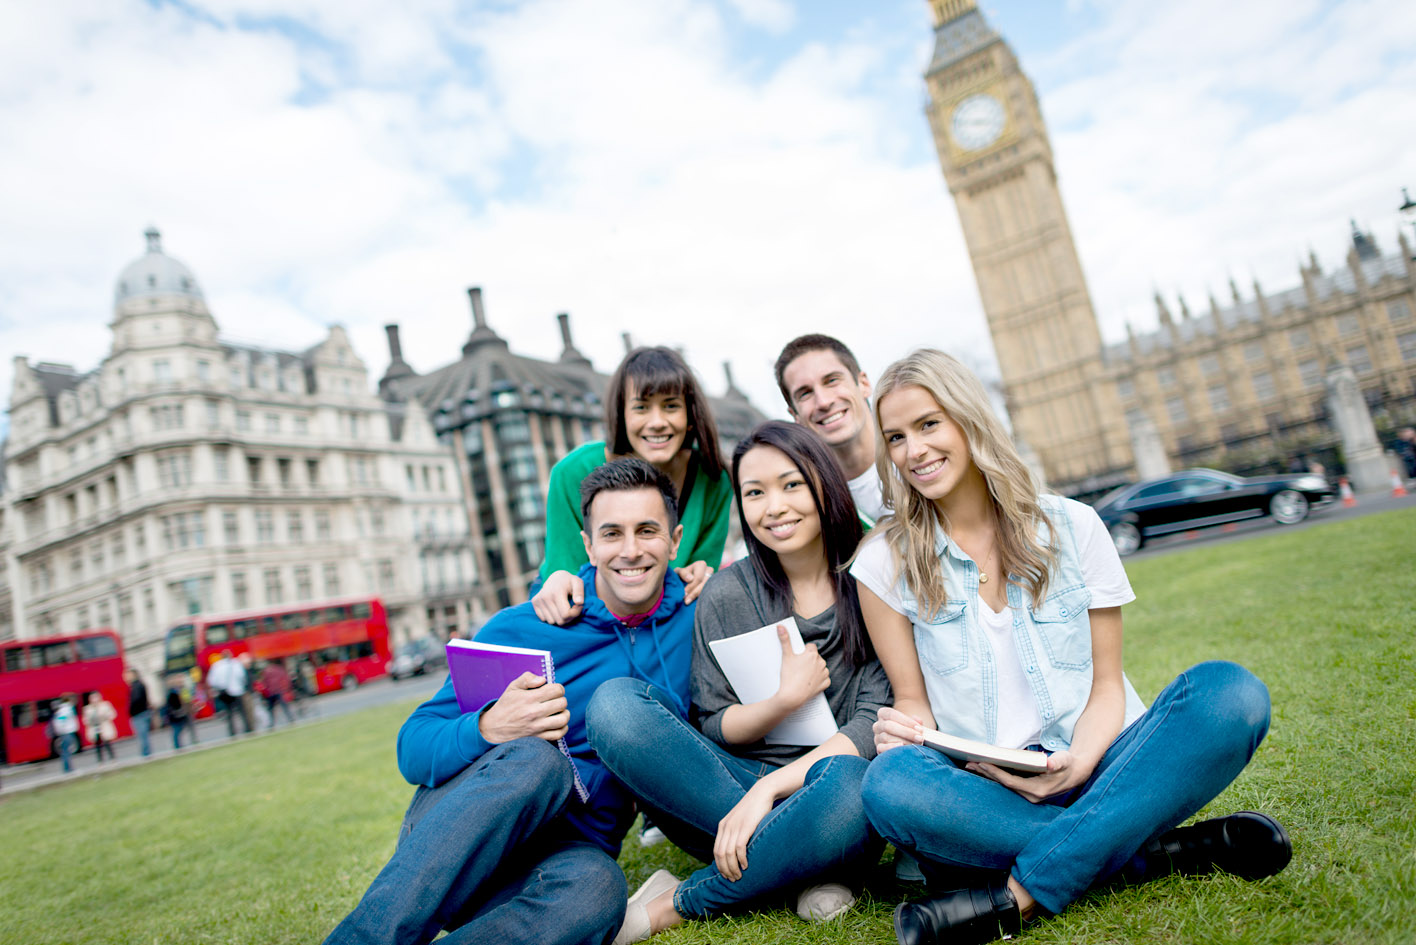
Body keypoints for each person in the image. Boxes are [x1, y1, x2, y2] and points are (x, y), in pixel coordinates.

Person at [851, 349, 1290, 945]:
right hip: (986, 791)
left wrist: (1079, 762)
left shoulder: (1074, 526)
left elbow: (1108, 687)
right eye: (896, 437)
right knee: (889, 782)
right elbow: (914, 703)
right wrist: (904, 732)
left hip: (1099, 763)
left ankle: (1017, 897)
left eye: (929, 424)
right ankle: (1146, 851)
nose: (914, 451)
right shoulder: (883, 562)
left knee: (1230, 695)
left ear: (968, 419)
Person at [322, 459, 697, 945]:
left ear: (675, 539)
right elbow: (411, 745)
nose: (630, 551)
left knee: (599, 889)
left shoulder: (697, 617)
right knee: (540, 761)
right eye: (611, 534)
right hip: (456, 844)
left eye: (647, 531)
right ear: (588, 544)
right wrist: (486, 728)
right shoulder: (521, 628)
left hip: (557, 865)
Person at [587, 421, 892, 943]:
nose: (774, 506)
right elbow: (716, 725)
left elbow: (872, 726)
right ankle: (803, 867)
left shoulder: (874, 575)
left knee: (852, 784)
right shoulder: (728, 593)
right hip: (727, 799)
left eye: (791, 484)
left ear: (823, 481)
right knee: (615, 706)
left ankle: (673, 904)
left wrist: (771, 791)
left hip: (827, 795)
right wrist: (783, 701)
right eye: (755, 492)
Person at [534, 346, 732, 620]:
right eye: (641, 407)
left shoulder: (714, 478)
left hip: (666, 609)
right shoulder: (571, 472)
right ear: (622, 415)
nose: (657, 422)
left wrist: (701, 572)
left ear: (690, 416)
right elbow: (565, 574)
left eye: (671, 406)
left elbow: (701, 570)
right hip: (581, 608)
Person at [775, 334, 887, 525]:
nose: (823, 402)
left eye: (832, 381)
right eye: (805, 393)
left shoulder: (922, 455)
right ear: (795, 415)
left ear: (864, 384)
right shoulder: (811, 508)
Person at [207, 650, 253, 736]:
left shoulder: (216, 666)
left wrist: (221, 686)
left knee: (229, 713)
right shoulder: (236, 663)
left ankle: (232, 731)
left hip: (225, 692)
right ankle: (247, 728)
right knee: (242, 712)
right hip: (238, 691)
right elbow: (242, 676)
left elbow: (212, 681)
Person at [259, 658, 297, 728]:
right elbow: (285, 678)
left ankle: (271, 723)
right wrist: (287, 689)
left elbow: (264, 682)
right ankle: (290, 718)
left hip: (272, 691)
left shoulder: (267, 671)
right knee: (284, 706)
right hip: (278, 690)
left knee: (271, 709)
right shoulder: (279, 669)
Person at [83, 691, 119, 763]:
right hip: (95, 728)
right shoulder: (87, 709)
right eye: (92, 698)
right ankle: (100, 760)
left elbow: (112, 714)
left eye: (95, 697)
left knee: (107, 743)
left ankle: (112, 758)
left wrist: (104, 716)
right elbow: (85, 720)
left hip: (104, 726)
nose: (94, 699)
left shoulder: (105, 705)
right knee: (97, 745)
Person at [50, 694, 80, 773]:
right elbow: (61, 721)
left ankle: (68, 768)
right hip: (67, 732)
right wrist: (63, 730)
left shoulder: (61, 709)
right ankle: (68, 768)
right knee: (66, 751)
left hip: (65, 732)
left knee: (65, 751)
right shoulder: (66, 710)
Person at [125, 668, 152, 757]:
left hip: (139, 714)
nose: (125, 677)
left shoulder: (136, 686)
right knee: (144, 735)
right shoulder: (140, 684)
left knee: (142, 736)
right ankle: (146, 753)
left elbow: (135, 701)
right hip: (143, 712)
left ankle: (146, 754)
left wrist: (130, 711)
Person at [164, 675, 195, 749]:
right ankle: (177, 745)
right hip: (177, 714)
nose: (180, 682)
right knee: (177, 729)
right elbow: (172, 704)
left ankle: (192, 741)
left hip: (183, 711)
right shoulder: (172, 692)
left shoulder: (182, 690)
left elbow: (187, 700)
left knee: (187, 727)